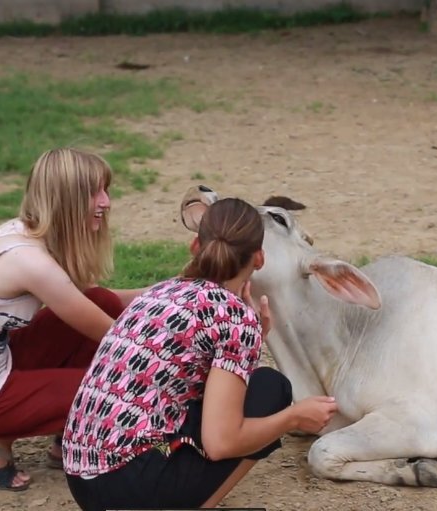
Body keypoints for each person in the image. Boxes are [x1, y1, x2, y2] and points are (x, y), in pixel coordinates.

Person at [62, 197, 339, 511]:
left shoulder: (161, 290)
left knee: (254, 386)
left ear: (196, 245)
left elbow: (188, 373)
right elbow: (221, 443)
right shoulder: (235, 318)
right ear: (258, 259)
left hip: (82, 478)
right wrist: (294, 417)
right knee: (272, 390)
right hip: (128, 486)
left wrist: (250, 341)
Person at [0, 147, 148, 491]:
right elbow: (117, 338)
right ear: (66, 198)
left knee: (99, 300)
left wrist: (175, 289)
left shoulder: (23, 233)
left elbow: (96, 303)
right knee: (106, 395)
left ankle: (67, 437)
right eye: (95, 192)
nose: (106, 202)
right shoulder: (29, 262)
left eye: (107, 190)